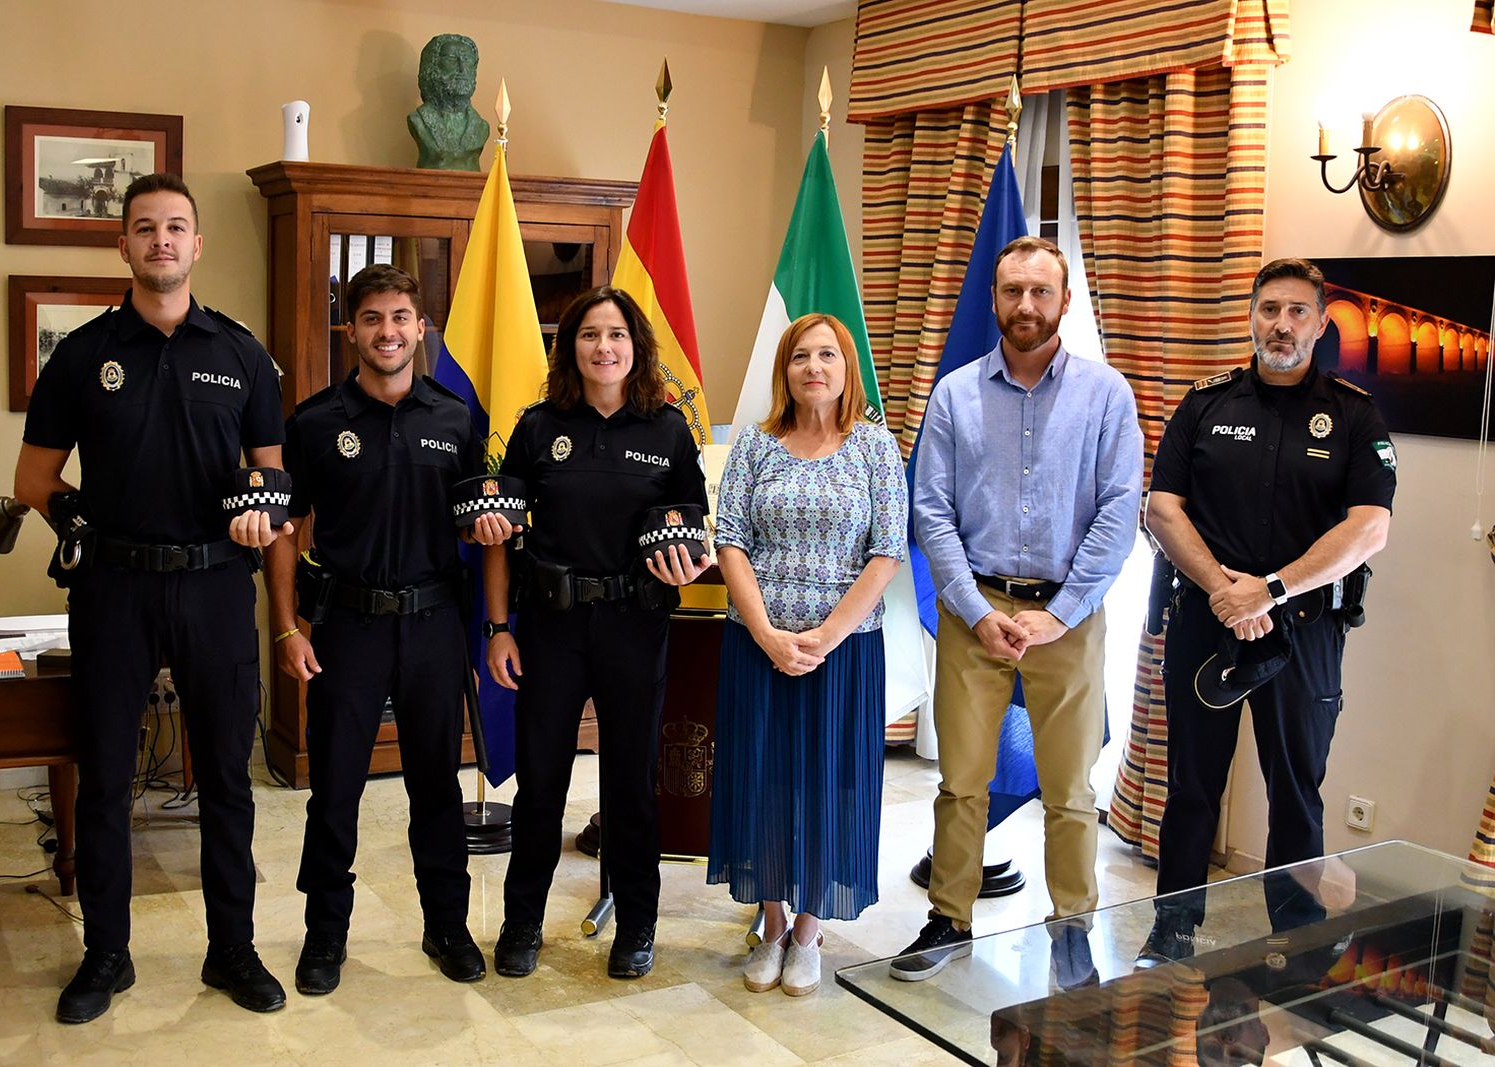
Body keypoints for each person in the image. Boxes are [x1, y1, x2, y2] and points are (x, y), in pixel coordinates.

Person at [15, 173, 288, 1022]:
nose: (162, 241)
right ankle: (106, 953)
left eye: (176, 227)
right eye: (145, 228)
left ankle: (232, 949)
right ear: (123, 245)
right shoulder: (80, 352)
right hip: (115, 587)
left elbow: (272, 476)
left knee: (228, 782)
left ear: (197, 245)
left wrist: (260, 512)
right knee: (103, 779)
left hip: (214, 584)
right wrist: (75, 515)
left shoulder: (241, 353)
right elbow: (31, 478)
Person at [240, 264, 514, 995]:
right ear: (351, 329)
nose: (387, 331)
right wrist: (287, 630)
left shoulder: (458, 419)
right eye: (371, 318)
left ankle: (446, 925)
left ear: (420, 327)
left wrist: (493, 624)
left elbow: (487, 532)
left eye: (400, 317)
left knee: (435, 786)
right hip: (346, 628)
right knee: (333, 790)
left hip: (432, 627)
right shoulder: (315, 422)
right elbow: (284, 530)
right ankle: (325, 934)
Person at [899, 235, 1143, 984]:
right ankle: (950, 916)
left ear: (1065, 301)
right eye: (1013, 292)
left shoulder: (1106, 395)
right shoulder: (955, 394)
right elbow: (931, 510)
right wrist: (974, 610)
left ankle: (1071, 924)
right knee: (961, 781)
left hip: (1066, 619)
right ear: (996, 300)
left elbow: (1120, 510)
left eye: (1042, 291)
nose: (1026, 306)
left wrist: (1060, 614)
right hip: (975, 614)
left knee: (1070, 791)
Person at [1138, 258, 1393, 966]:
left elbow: (1369, 527)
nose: (1281, 323)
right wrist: (1228, 590)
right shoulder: (1205, 403)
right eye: (1269, 308)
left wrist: (1270, 589)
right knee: (1192, 784)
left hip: (1305, 631)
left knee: (1297, 791)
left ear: (1320, 322)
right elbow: (1162, 508)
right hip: (1205, 623)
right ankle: (1173, 927)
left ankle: (1298, 935)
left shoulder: (1353, 413)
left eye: (1297, 311)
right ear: (1252, 314)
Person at [483, 286, 707, 980]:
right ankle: (523, 919)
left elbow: (694, 533)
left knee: (631, 786)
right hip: (550, 625)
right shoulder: (537, 425)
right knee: (541, 782)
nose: (603, 347)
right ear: (569, 347)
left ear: (636, 347)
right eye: (589, 334)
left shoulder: (667, 431)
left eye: (616, 335)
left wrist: (689, 555)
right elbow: (499, 533)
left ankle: (637, 923)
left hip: (634, 625)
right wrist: (498, 626)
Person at [707, 313, 907, 997]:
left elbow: (889, 550)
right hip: (756, 643)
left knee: (831, 782)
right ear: (784, 370)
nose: (814, 366)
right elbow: (728, 537)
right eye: (800, 356)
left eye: (827, 354)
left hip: (845, 652)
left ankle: (810, 931)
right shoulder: (757, 445)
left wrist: (828, 635)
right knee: (761, 778)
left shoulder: (876, 448)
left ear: (847, 367)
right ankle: (770, 922)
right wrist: (766, 631)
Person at [407, 33, 490, 172]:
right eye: (451, 58)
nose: (462, 68)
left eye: (467, 59)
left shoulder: (481, 127)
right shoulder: (418, 120)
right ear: (433, 66)